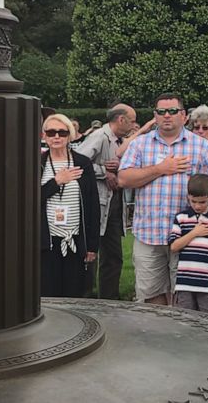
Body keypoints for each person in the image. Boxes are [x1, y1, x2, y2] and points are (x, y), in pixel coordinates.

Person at [118, 93, 208, 305]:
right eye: (161, 112)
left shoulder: (201, 146)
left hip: (190, 237)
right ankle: (158, 337)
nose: (166, 116)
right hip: (149, 234)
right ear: (155, 116)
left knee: (187, 298)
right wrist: (161, 169)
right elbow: (123, 178)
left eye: (172, 111)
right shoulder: (140, 145)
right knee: (150, 296)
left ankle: (183, 337)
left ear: (184, 116)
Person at [76, 103, 152, 299]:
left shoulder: (119, 140)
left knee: (113, 255)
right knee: (93, 253)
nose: (134, 125)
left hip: (113, 204)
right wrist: (104, 172)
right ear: (121, 120)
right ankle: (87, 297)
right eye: (132, 121)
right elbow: (77, 163)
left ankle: (108, 297)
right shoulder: (99, 137)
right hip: (98, 205)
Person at [40, 114, 100, 297]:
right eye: (51, 132)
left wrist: (92, 245)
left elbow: (92, 204)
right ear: (44, 136)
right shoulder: (37, 163)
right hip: (47, 242)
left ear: (71, 135)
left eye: (62, 133)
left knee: (75, 293)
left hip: (75, 239)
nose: (56, 137)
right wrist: (56, 182)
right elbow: (27, 200)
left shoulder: (82, 163)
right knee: (48, 293)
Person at [169, 174, 208, 315]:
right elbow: (174, 246)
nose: (197, 206)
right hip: (185, 282)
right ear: (188, 197)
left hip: (207, 284)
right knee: (184, 320)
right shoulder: (181, 218)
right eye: (193, 201)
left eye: (202, 202)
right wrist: (194, 232)